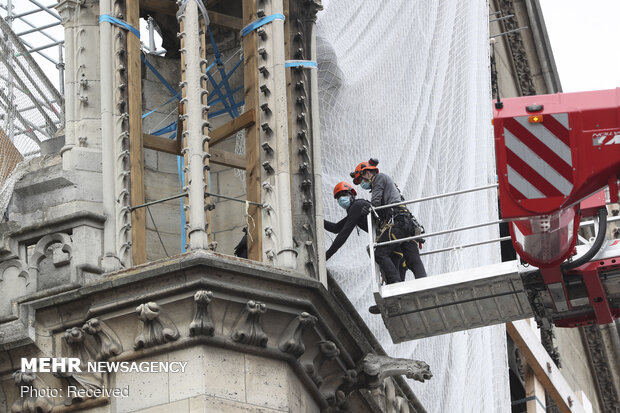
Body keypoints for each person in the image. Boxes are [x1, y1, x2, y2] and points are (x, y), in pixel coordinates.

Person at [352, 159, 427, 283]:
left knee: (379, 252)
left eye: (361, 180)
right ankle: (423, 283)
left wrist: (368, 209)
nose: (362, 184)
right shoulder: (390, 185)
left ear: (368, 173)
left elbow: (376, 202)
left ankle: (395, 283)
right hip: (407, 223)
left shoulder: (378, 178)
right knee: (412, 259)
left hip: (398, 222)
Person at [325, 181, 406, 281]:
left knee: (393, 278)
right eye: (338, 198)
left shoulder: (357, 206)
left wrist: (327, 255)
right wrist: (319, 220)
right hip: (392, 242)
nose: (341, 199)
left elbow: (343, 234)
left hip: (390, 239)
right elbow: (336, 228)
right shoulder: (355, 210)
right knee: (395, 278)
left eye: (343, 195)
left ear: (352, 195)